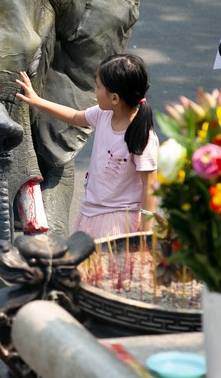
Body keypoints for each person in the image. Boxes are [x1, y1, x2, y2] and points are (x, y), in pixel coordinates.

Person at [15, 54, 158, 241]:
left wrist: (145, 232)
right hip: (91, 212)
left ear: (114, 98)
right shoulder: (102, 115)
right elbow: (74, 116)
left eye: (98, 87)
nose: (95, 91)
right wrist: (36, 100)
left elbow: (150, 185)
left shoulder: (142, 137)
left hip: (119, 221)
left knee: (107, 270)